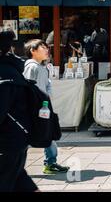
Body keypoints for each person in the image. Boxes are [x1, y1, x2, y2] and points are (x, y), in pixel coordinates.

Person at [0, 29, 39, 192]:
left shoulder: (4, 75)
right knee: (20, 180)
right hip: (18, 137)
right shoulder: (14, 69)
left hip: (7, 141)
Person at [23, 39, 69, 175]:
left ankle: (50, 163)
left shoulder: (41, 67)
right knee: (34, 135)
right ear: (33, 51)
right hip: (35, 109)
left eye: (46, 47)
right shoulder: (32, 67)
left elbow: (46, 86)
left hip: (42, 107)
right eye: (42, 47)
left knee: (47, 134)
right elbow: (28, 88)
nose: (47, 49)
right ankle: (17, 166)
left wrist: (46, 99)